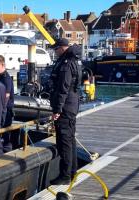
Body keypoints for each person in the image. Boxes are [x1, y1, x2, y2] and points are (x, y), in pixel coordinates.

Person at [49, 38, 82, 185]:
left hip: (66, 108)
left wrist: (57, 109)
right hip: (71, 106)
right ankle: (73, 171)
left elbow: (63, 88)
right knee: (70, 140)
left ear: (62, 48)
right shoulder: (74, 60)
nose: (55, 52)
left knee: (65, 142)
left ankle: (65, 175)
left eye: (56, 49)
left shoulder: (66, 64)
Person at [0, 55, 14, 152]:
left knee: (4, 134)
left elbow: (6, 97)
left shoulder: (6, 79)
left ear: (2, 65)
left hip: (6, 111)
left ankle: (6, 151)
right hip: (2, 111)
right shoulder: (0, 78)